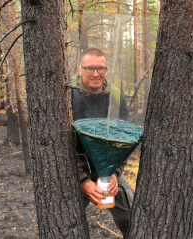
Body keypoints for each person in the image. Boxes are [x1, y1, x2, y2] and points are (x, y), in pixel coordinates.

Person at [71, 48, 133, 237]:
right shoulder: (68, 96)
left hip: (109, 168)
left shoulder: (115, 95)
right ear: (80, 69)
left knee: (133, 218)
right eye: (90, 69)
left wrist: (114, 174)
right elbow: (59, 149)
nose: (96, 74)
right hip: (73, 170)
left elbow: (123, 142)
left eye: (101, 69)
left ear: (106, 70)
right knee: (66, 222)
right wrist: (82, 181)